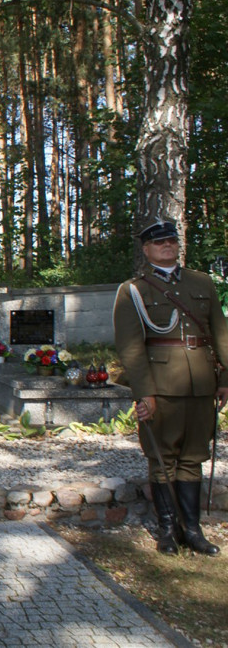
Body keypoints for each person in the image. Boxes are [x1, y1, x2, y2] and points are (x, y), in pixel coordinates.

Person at [113, 219, 227, 556]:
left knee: (193, 457)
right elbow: (131, 346)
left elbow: (220, 333)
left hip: (201, 384)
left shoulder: (201, 282)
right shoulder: (134, 290)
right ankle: (166, 529)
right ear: (146, 249)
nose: (167, 246)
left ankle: (191, 530)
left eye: (172, 242)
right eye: (159, 243)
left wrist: (224, 379)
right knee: (162, 458)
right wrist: (143, 392)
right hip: (161, 386)